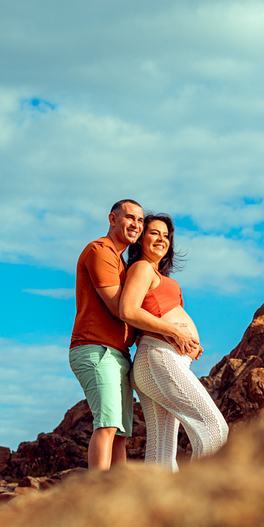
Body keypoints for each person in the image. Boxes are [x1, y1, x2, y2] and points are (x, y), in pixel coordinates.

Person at [120, 213, 228, 471]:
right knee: (214, 428)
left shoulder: (164, 278)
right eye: (154, 233)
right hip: (158, 357)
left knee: (161, 453)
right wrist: (176, 332)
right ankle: (204, 501)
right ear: (140, 239)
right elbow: (128, 310)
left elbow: (163, 314)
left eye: (166, 235)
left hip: (163, 361)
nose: (162, 239)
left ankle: (160, 508)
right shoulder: (142, 267)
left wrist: (190, 343)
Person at [68, 199, 170, 471]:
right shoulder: (100, 250)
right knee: (108, 424)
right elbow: (121, 309)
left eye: (140, 220)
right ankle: (97, 496)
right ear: (112, 219)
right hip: (97, 349)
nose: (136, 224)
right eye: (130, 218)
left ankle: (115, 496)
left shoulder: (121, 262)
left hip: (118, 353)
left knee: (121, 434)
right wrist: (170, 329)